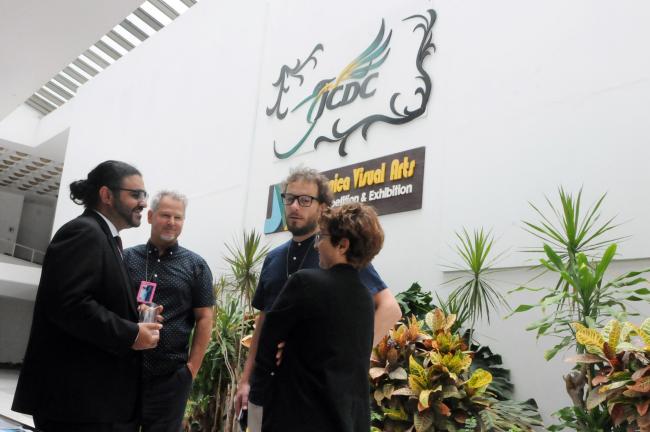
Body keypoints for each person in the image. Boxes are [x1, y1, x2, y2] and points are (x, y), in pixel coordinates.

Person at [235, 167, 402, 431]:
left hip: (317, 398)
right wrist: (247, 380)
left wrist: (340, 357)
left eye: (305, 200)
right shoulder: (274, 258)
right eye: (289, 199)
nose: (294, 206)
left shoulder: (340, 252)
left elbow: (390, 309)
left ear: (322, 207)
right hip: (276, 391)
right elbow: (264, 322)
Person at [12, 160, 162, 432]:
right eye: (135, 194)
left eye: (144, 194)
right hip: (75, 405)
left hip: (92, 404)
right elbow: (69, 305)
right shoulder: (84, 233)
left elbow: (89, 301)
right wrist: (131, 334)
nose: (143, 202)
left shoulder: (106, 238)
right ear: (106, 195)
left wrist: (134, 317)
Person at [256, 203, 384, 431]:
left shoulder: (305, 282)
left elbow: (267, 344)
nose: (316, 246)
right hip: (348, 420)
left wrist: (256, 409)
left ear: (342, 245)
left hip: (299, 417)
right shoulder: (365, 298)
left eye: (321, 237)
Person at [123, 191, 214, 432]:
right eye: (165, 215)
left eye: (178, 217)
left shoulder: (196, 266)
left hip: (170, 379)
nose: (171, 222)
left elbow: (205, 319)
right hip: (123, 373)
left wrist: (191, 370)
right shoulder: (126, 258)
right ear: (151, 216)